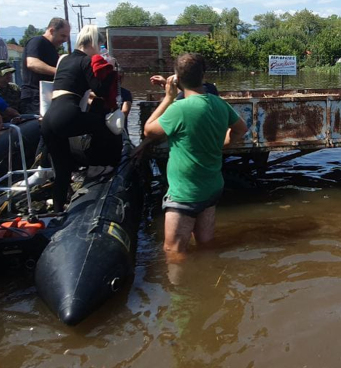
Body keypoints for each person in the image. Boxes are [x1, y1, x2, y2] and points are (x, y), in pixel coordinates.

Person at [137, 53, 247, 271]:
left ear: (177, 78)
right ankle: (208, 283)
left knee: (174, 252)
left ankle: (182, 299)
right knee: (206, 243)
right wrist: (224, 142)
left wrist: (168, 98)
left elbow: (149, 129)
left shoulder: (179, 109)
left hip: (185, 193)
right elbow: (241, 129)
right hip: (212, 186)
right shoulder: (218, 103)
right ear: (204, 76)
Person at [40, 25, 123, 212]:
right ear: (93, 43)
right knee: (104, 126)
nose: (101, 50)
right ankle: (95, 166)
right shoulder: (86, 61)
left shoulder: (64, 59)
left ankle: (58, 210)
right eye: (100, 46)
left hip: (49, 117)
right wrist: (111, 71)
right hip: (67, 112)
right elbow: (99, 90)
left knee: (62, 170)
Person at [20, 18, 71, 113]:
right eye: (62, 36)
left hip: (46, 95)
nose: (65, 40)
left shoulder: (52, 48)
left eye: (67, 37)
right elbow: (32, 63)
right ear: (52, 31)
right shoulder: (37, 41)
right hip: (34, 97)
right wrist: (59, 72)